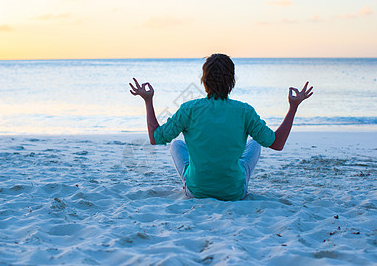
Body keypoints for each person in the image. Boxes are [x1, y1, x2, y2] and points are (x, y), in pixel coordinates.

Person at [129, 54, 313, 201]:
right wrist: (293, 107)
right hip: (233, 192)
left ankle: (191, 183)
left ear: (204, 80)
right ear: (231, 80)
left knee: (175, 145)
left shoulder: (189, 109)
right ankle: (229, 171)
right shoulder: (244, 111)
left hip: (197, 191)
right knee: (255, 144)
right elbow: (277, 143)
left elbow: (155, 137)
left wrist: (148, 100)